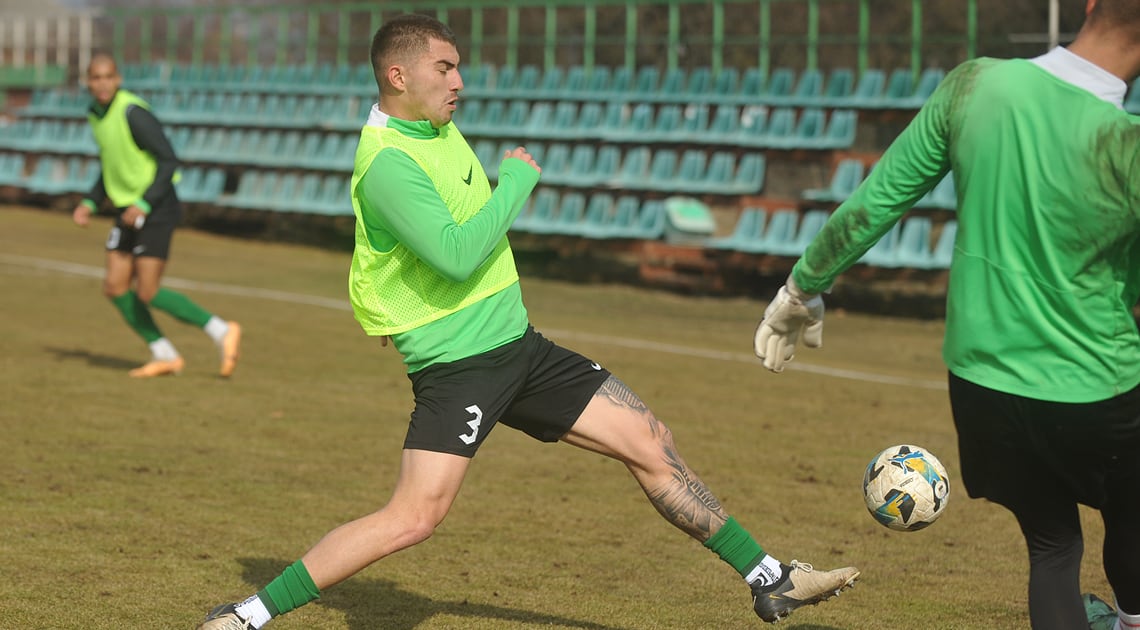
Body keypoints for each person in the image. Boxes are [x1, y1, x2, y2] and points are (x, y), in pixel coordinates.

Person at [195, 13, 858, 630]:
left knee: (650, 442)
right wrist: (514, 181)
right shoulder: (388, 164)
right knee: (413, 517)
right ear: (399, 76)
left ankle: (771, 577)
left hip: (521, 348)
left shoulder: (432, 130)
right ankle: (248, 615)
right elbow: (456, 256)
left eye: (458, 68)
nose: (460, 82)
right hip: (461, 367)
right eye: (445, 68)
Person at [753, 1, 1140, 628]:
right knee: (1131, 517)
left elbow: (877, 199)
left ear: (1089, 4)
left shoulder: (975, 84)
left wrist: (802, 287)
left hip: (983, 386)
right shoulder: (1126, 144)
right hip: (1096, 385)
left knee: (1053, 547)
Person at [72, 54, 242, 378]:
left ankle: (222, 330)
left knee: (148, 291)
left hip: (157, 207)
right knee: (115, 286)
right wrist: (90, 203)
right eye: (95, 78)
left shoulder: (133, 113)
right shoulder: (95, 114)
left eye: (108, 76)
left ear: (118, 79)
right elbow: (112, 165)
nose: (102, 83)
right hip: (127, 210)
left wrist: (145, 203)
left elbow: (169, 160)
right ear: (88, 82)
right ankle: (164, 354)